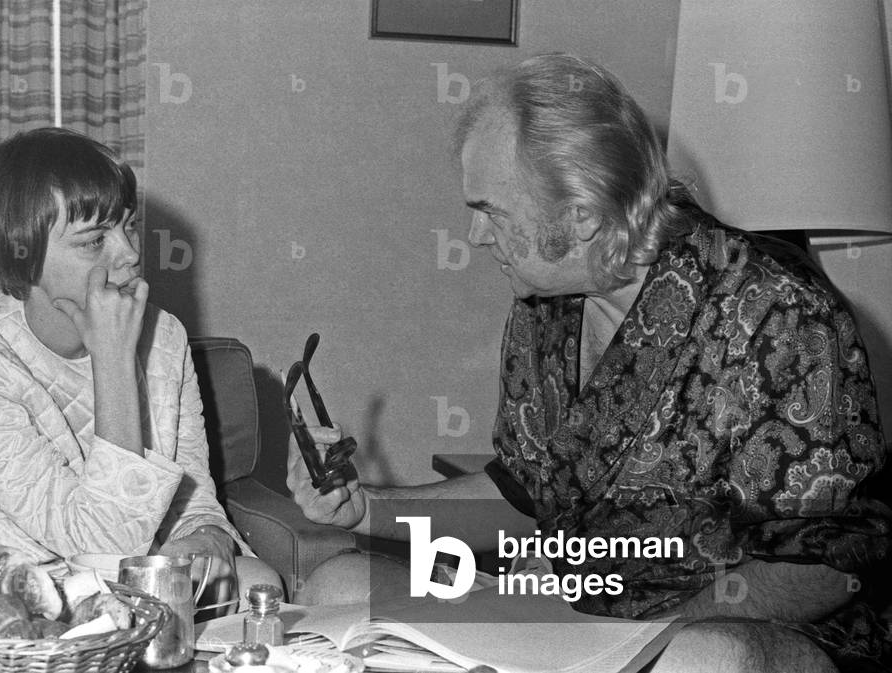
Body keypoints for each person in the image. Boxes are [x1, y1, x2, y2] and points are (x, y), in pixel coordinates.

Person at [288, 54, 891, 672]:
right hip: (574, 618)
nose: (474, 236)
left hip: (726, 632)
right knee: (338, 585)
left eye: (490, 209)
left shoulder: (781, 314)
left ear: (579, 215)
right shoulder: (546, 304)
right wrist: (369, 510)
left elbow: (825, 570)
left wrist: (639, 639)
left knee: (700, 662)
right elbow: (525, 497)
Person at [0, 127, 278, 610]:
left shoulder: (164, 338)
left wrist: (208, 540)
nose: (128, 252)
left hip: (103, 580)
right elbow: (103, 547)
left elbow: (192, 495)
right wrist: (113, 361)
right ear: (24, 256)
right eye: (93, 240)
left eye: (127, 225)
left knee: (258, 582)